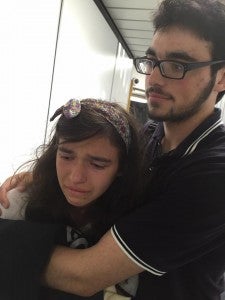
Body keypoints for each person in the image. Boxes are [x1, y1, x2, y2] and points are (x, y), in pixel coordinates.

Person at [1, 0, 225, 299]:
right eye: (152, 61)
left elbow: (83, 276)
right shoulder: (148, 137)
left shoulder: (214, 174)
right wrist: (41, 176)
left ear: (220, 77)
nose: (154, 79)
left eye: (177, 65)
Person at [0, 98, 142, 299]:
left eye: (97, 165)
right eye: (66, 157)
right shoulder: (18, 203)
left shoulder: (136, 220)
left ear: (121, 168)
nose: (76, 177)